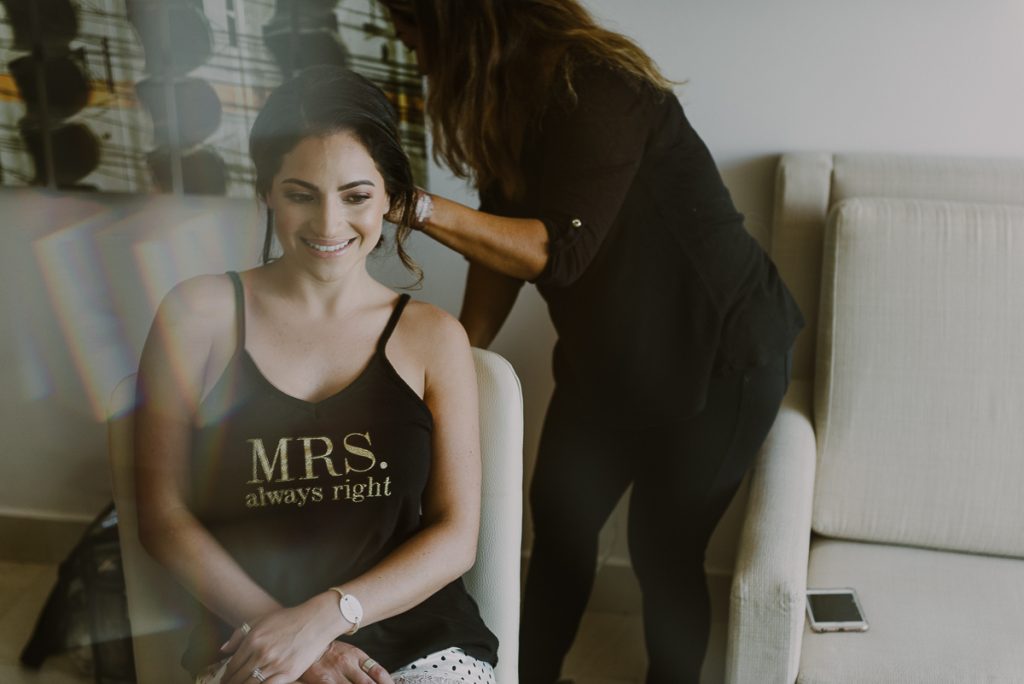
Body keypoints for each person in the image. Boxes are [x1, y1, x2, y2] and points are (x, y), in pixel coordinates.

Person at [379, 2, 805, 682]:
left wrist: (417, 206)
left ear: (460, 23)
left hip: (722, 356)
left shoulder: (596, 83)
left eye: (413, 33)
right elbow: (501, 237)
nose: (414, 54)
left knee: (662, 552)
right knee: (559, 532)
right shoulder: (506, 100)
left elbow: (558, 249)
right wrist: (462, 359)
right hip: (609, 359)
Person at [134, 65, 498, 684]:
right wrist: (289, 638)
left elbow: (456, 535)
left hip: (420, 635)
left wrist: (328, 617)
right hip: (251, 637)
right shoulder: (197, 316)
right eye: (301, 193)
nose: (329, 225)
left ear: (391, 197)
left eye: (356, 195)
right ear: (268, 192)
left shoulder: (434, 337)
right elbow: (163, 516)